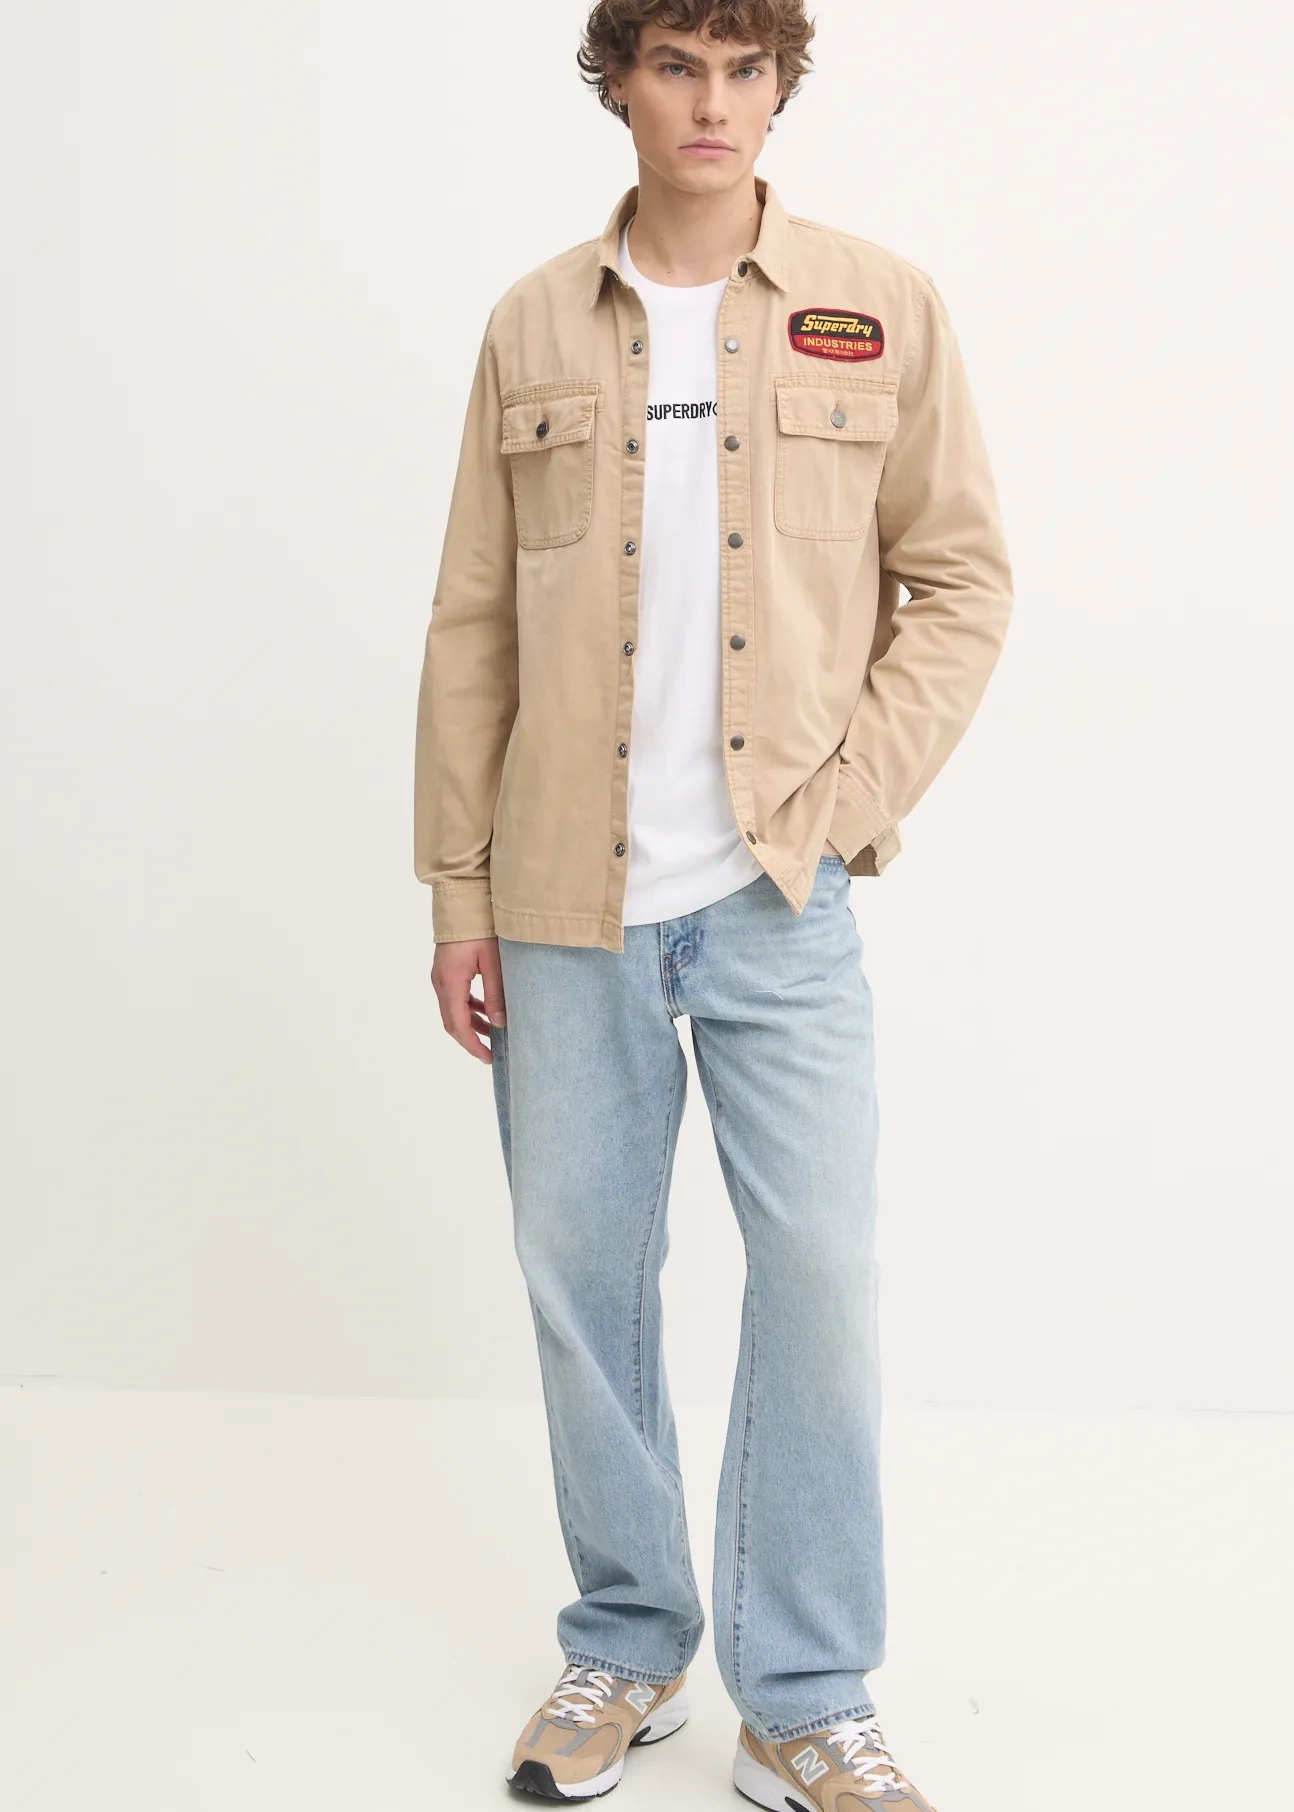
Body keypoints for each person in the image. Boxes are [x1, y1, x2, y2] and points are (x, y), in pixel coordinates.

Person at [413, 3, 1013, 1804]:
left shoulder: (878, 305)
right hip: (558, 898)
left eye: (746, 70)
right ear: (620, 80)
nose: (713, 103)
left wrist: (840, 813)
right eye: (678, 64)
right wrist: (456, 890)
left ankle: (806, 1694)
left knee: (818, 1275)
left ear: (780, 87)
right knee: (584, 1282)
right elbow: (472, 623)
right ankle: (626, 1642)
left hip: (777, 898)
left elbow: (962, 580)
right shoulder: (533, 321)